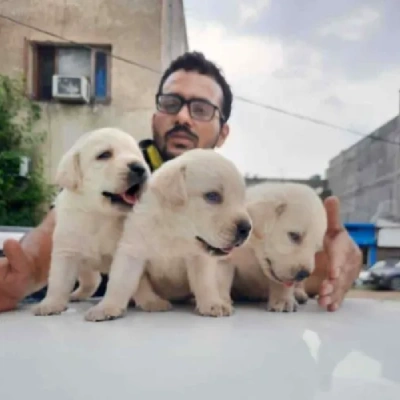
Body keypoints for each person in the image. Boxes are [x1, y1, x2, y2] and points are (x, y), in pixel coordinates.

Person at [0, 51, 362, 314]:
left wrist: (340, 263)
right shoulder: (120, 174)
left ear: (223, 133)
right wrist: (26, 268)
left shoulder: (236, 198)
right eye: (172, 103)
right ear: (156, 115)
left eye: (202, 109)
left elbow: (292, 271)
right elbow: (60, 230)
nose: (183, 117)